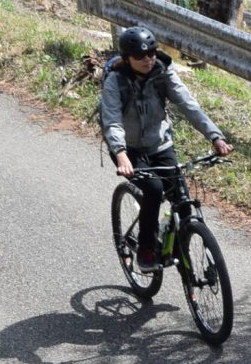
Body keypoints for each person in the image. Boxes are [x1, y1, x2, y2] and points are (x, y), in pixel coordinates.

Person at [99, 25, 232, 271]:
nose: (148, 59)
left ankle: (182, 247)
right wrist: (120, 154)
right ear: (128, 59)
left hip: (160, 144)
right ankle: (146, 249)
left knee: (181, 198)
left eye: (151, 52)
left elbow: (188, 104)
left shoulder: (163, 71)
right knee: (154, 189)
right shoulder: (115, 82)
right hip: (129, 150)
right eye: (140, 56)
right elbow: (113, 121)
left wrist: (215, 136)